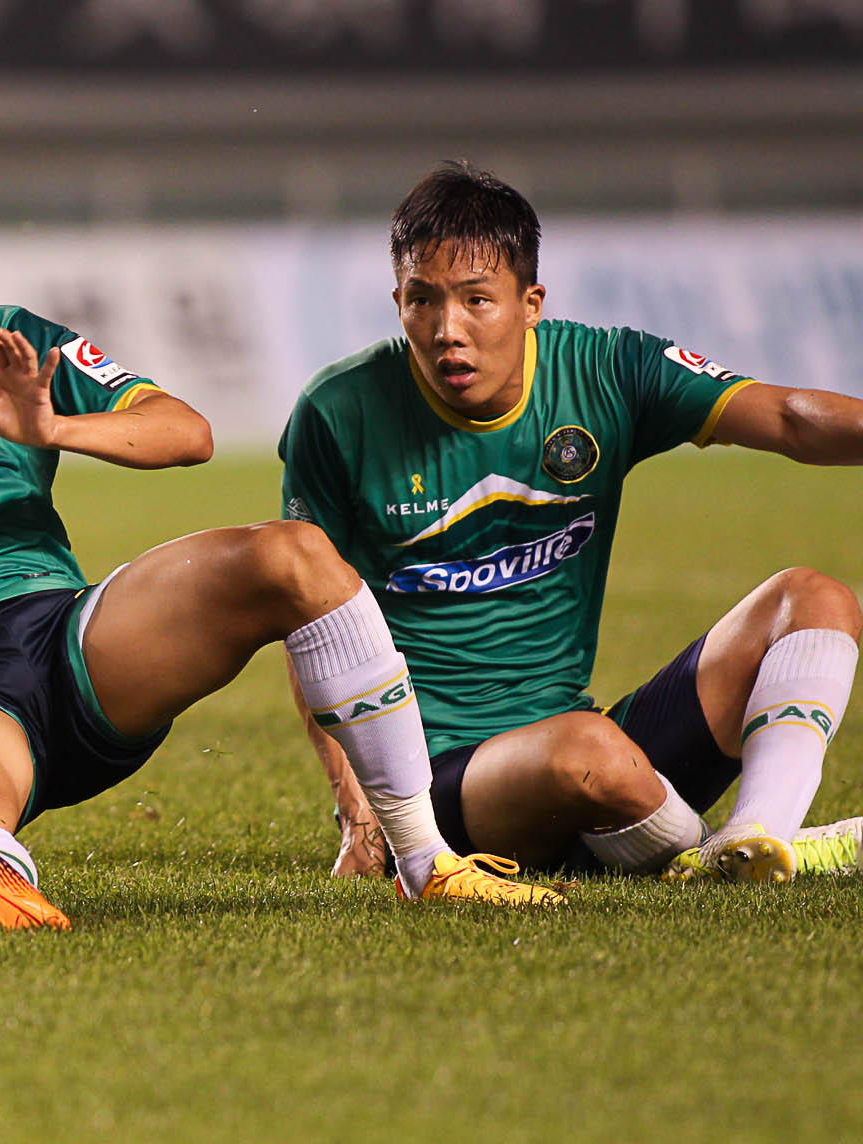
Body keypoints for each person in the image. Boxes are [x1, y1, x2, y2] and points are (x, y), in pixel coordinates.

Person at [0, 133, 562, 930]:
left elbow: (186, 433)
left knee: (294, 557)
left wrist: (57, 431)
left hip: (75, 641)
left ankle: (425, 857)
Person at [282, 163, 863, 885]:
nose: (446, 331)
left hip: (592, 740)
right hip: (439, 779)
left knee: (815, 599)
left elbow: (786, 417)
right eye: (421, 300)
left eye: (476, 300)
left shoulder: (607, 370)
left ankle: (757, 839)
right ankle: (705, 847)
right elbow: (307, 625)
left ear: (531, 304)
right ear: (397, 301)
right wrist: (362, 814)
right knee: (587, 753)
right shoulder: (338, 413)